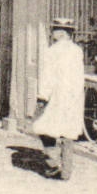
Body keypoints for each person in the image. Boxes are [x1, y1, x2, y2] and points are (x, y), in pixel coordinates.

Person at [33, 17, 85, 180]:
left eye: (55, 29)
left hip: (57, 96)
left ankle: (54, 163)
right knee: (68, 132)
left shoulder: (52, 51)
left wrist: (42, 97)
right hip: (74, 97)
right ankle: (66, 170)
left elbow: (47, 76)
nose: (52, 32)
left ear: (62, 33)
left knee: (42, 128)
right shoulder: (77, 51)